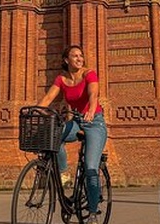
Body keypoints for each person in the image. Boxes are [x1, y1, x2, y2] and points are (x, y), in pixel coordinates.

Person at [38, 45, 107, 224]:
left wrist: (91, 110)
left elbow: (93, 94)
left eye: (80, 55)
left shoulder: (89, 74)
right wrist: (35, 111)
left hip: (94, 122)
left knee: (90, 168)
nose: (79, 58)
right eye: (74, 56)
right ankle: (63, 174)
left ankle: (93, 212)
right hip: (76, 121)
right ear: (66, 60)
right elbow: (48, 98)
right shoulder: (61, 79)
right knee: (55, 137)